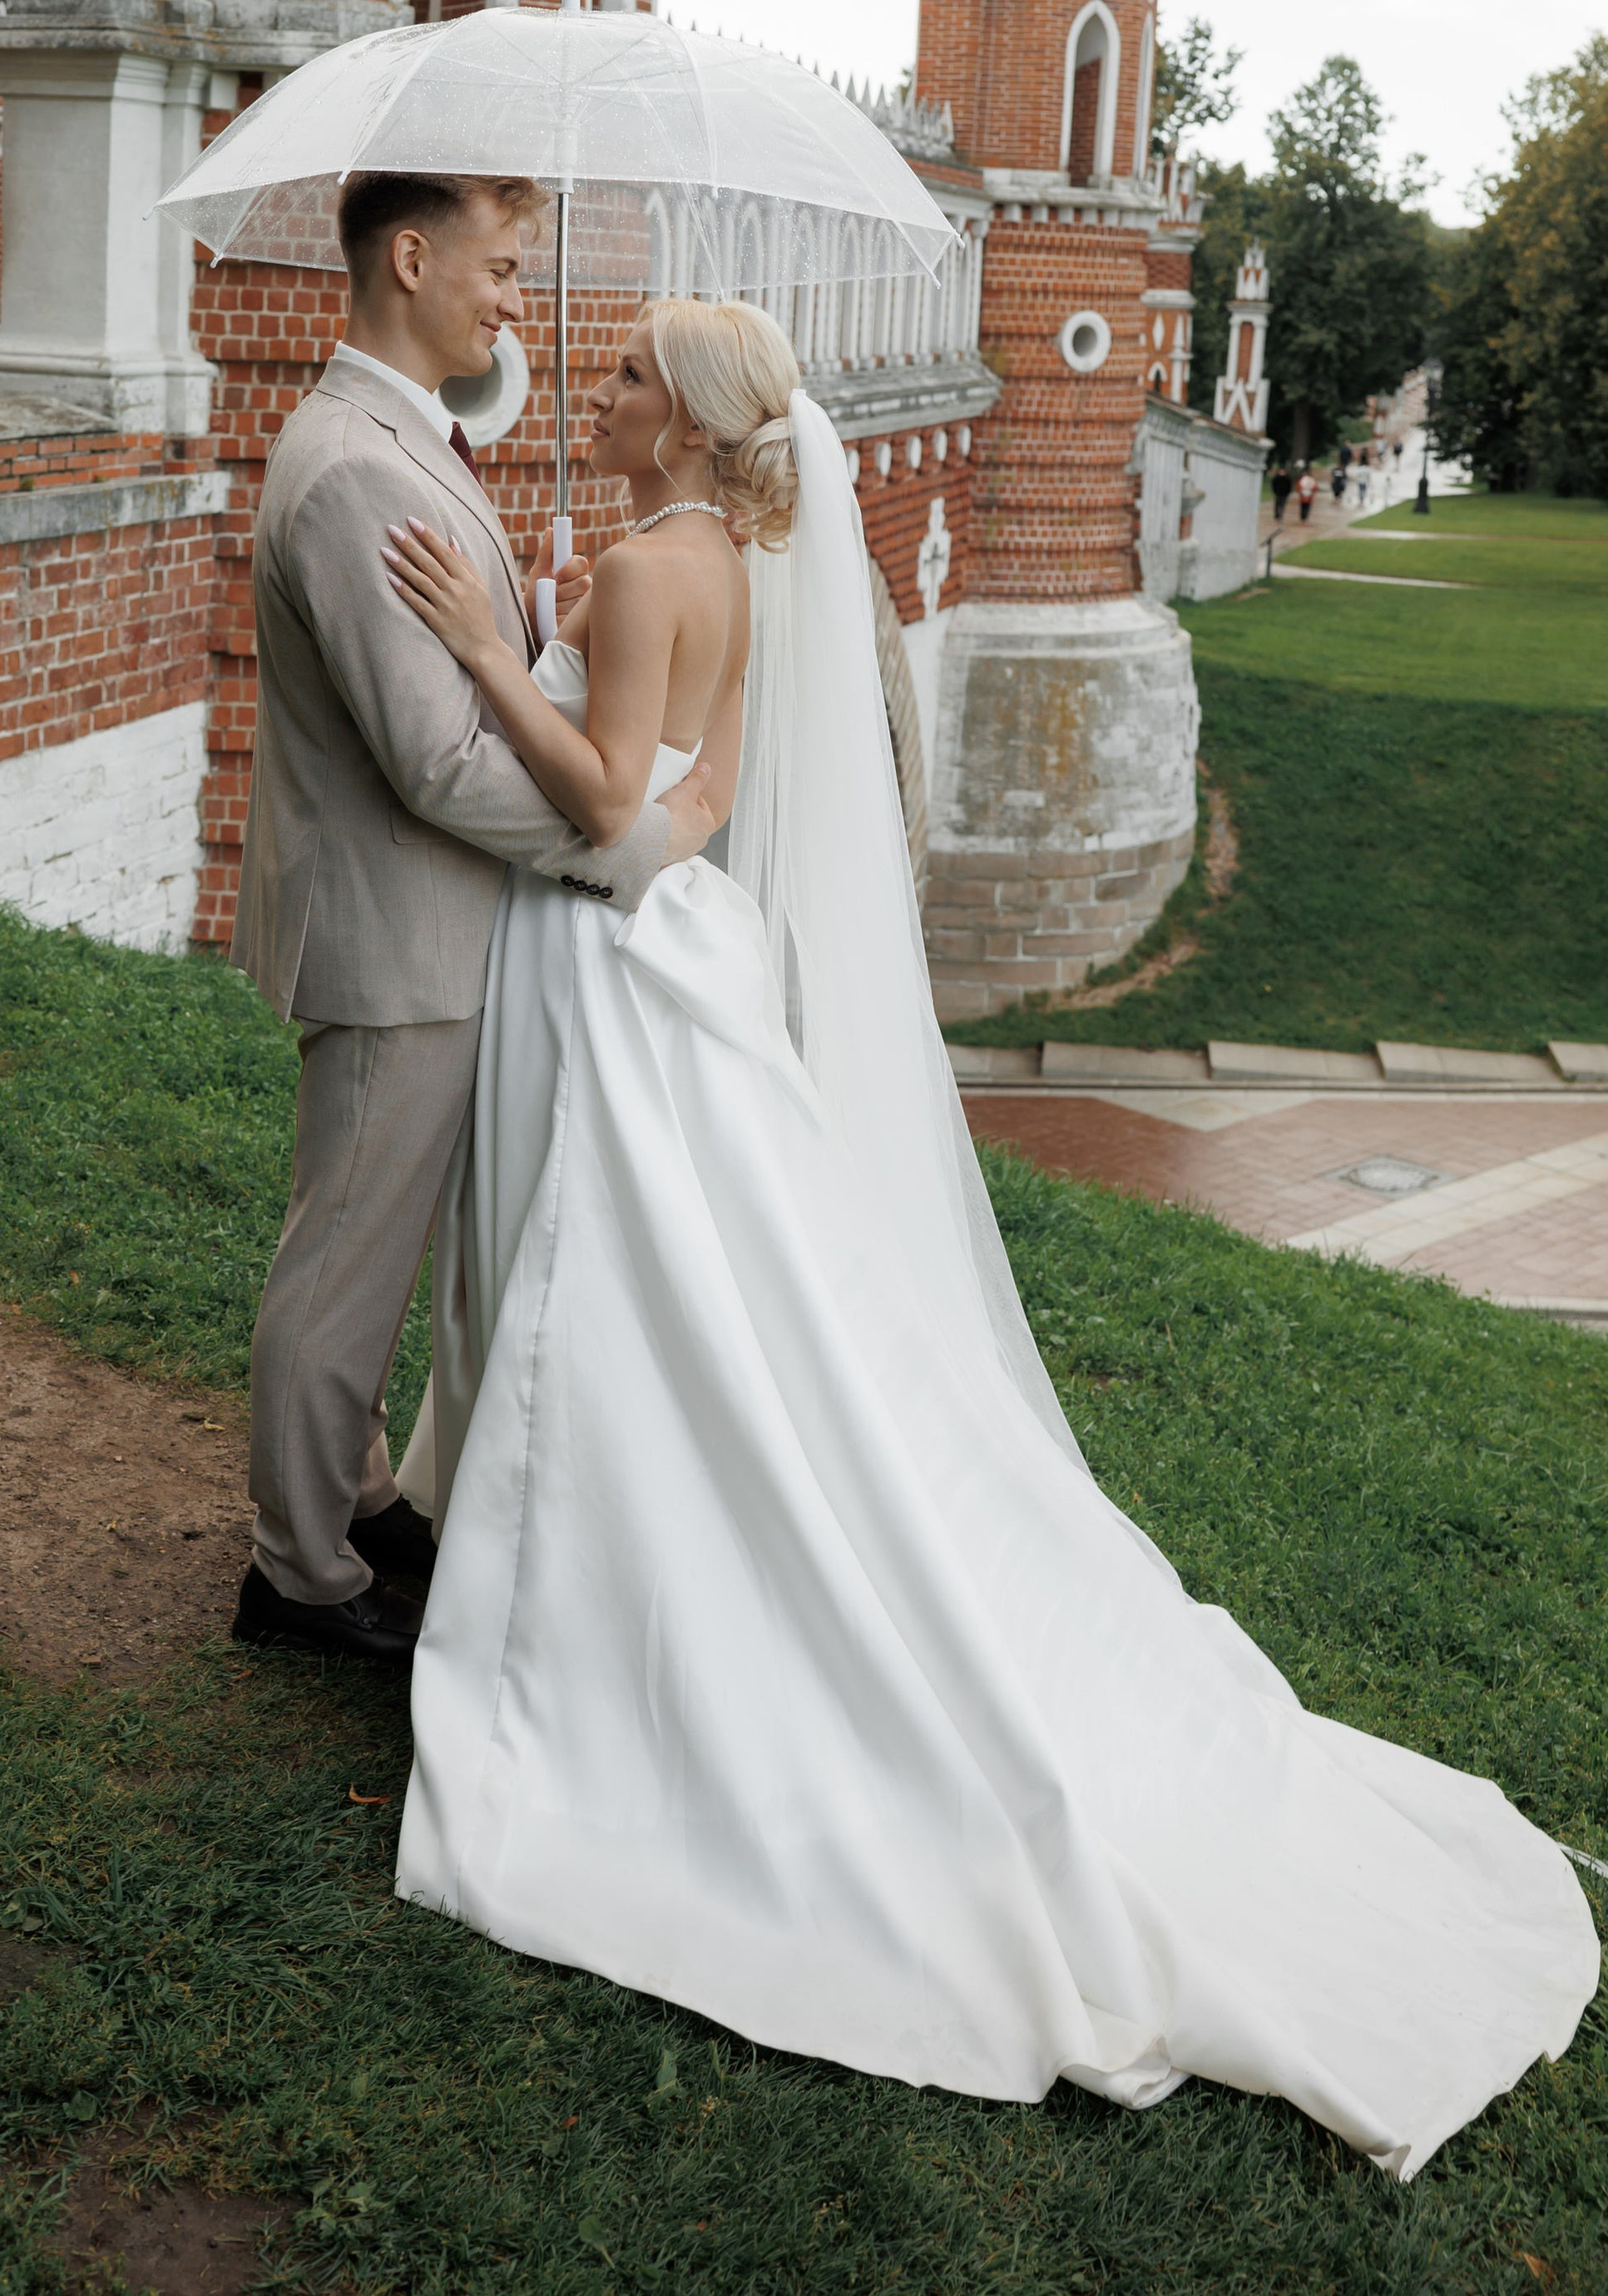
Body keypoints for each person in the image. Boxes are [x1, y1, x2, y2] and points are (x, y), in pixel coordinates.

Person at [381, 295, 1596, 2180]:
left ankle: (590, 1602)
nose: (595, 390)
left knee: (609, 1291)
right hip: (677, 953)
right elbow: (705, 801)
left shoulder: (640, 560)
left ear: (689, 423)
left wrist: (490, 653)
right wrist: (560, 640)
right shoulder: (721, 555)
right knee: (688, 1296)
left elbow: (618, 809)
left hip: (607, 962)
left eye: (624, 373)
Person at [225, 174, 718, 1670]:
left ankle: (356, 1493)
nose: (515, 298)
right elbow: (435, 760)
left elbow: (462, 686)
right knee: (344, 1257)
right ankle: (299, 1574)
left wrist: (533, 632)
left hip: (430, 926)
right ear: (411, 255)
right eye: (500, 267)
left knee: (371, 1241)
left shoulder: (399, 440)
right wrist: (612, 842)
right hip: (397, 930)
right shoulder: (358, 469)